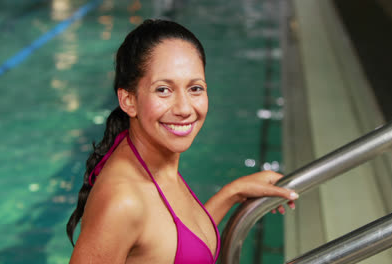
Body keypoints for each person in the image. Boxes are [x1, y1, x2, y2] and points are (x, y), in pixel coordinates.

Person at [66, 18, 299, 264]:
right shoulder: (124, 202)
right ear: (128, 101)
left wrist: (233, 193)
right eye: (163, 90)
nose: (184, 108)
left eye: (195, 88)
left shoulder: (152, 160)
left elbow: (169, 245)